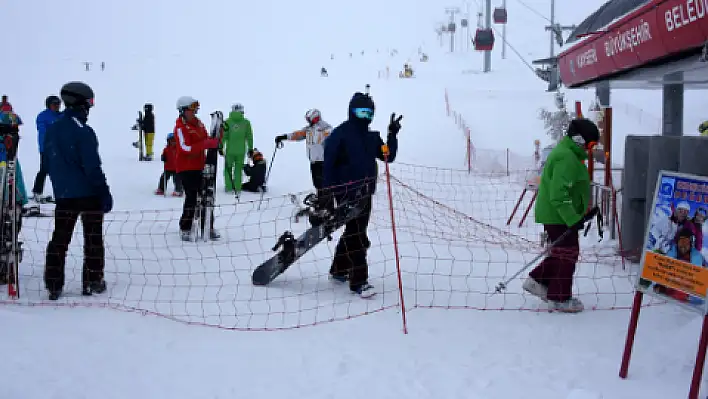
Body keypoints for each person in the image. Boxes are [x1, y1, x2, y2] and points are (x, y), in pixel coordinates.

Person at [322, 91, 402, 298]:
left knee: (354, 230)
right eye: (361, 111)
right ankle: (359, 281)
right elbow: (328, 165)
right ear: (351, 111)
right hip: (346, 192)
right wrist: (326, 194)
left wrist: (392, 134)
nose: (365, 116)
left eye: (369, 113)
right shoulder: (340, 134)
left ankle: (339, 270)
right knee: (357, 235)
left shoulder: (372, 137)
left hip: (366, 192)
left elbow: (387, 156)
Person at [42, 81, 113, 300]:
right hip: (88, 193)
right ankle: (92, 281)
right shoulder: (83, 131)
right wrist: (103, 191)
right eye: (89, 103)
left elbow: (47, 162)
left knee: (60, 238)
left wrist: (60, 186)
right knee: (93, 239)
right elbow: (92, 166)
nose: (90, 108)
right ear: (80, 103)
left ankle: (53, 284)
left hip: (64, 195)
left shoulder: (52, 129)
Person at [522, 118, 600, 313]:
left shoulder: (569, 154)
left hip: (559, 215)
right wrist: (573, 219)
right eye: (591, 144)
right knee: (567, 254)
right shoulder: (566, 157)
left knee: (562, 252)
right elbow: (559, 194)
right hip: (558, 216)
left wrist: (581, 212)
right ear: (579, 140)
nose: (591, 149)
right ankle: (559, 297)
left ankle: (537, 281)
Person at [173, 95, 220, 241]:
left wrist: (216, 139)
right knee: (192, 197)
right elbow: (185, 148)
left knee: (207, 196)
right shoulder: (180, 127)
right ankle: (185, 227)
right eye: (192, 109)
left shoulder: (198, 124)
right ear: (183, 110)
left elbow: (206, 138)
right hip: (186, 168)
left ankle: (207, 226)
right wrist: (205, 145)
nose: (195, 112)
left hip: (200, 165)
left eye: (196, 109)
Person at [275, 108, 332, 199]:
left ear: (315, 118)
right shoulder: (309, 129)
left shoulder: (325, 128)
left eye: (309, 119)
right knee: (317, 183)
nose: (308, 121)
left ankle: (327, 202)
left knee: (323, 183)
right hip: (313, 160)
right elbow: (297, 135)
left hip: (323, 161)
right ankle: (320, 200)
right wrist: (284, 137)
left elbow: (329, 138)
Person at [32, 95, 62, 201]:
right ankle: (37, 192)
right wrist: (46, 147)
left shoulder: (61, 116)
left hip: (60, 149)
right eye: (55, 104)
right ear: (49, 105)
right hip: (47, 149)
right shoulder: (43, 116)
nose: (57, 106)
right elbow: (42, 133)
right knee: (44, 169)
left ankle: (61, 193)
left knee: (60, 171)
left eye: (58, 104)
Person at [220, 103, 253, 194]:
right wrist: (250, 148)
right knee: (238, 170)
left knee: (228, 169)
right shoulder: (246, 123)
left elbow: (223, 137)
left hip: (230, 151)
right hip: (241, 151)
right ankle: (237, 188)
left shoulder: (227, 122)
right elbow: (249, 136)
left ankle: (229, 187)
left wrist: (220, 147)